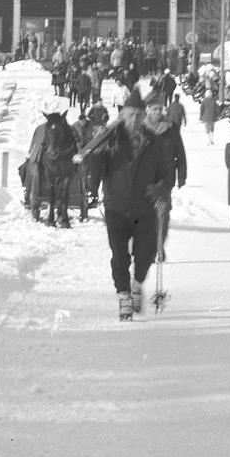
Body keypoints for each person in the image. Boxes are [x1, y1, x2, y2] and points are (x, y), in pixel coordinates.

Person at [84, 88, 172, 320]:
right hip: (117, 206)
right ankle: (124, 295)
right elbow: (94, 167)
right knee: (119, 256)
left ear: (144, 117)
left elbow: (167, 172)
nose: (134, 119)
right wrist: (97, 150)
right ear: (122, 116)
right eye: (130, 115)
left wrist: (160, 187)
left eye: (138, 115)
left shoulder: (155, 141)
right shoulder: (110, 139)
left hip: (145, 207)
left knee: (146, 253)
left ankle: (137, 283)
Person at [143, 93, 189, 284]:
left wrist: (182, 174)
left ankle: (159, 248)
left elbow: (180, 153)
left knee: (162, 214)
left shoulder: (171, 129)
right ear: (147, 110)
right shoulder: (140, 128)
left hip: (164, 180)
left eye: (159, 109)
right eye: (153, 109)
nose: (157, 112)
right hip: (144, 181)